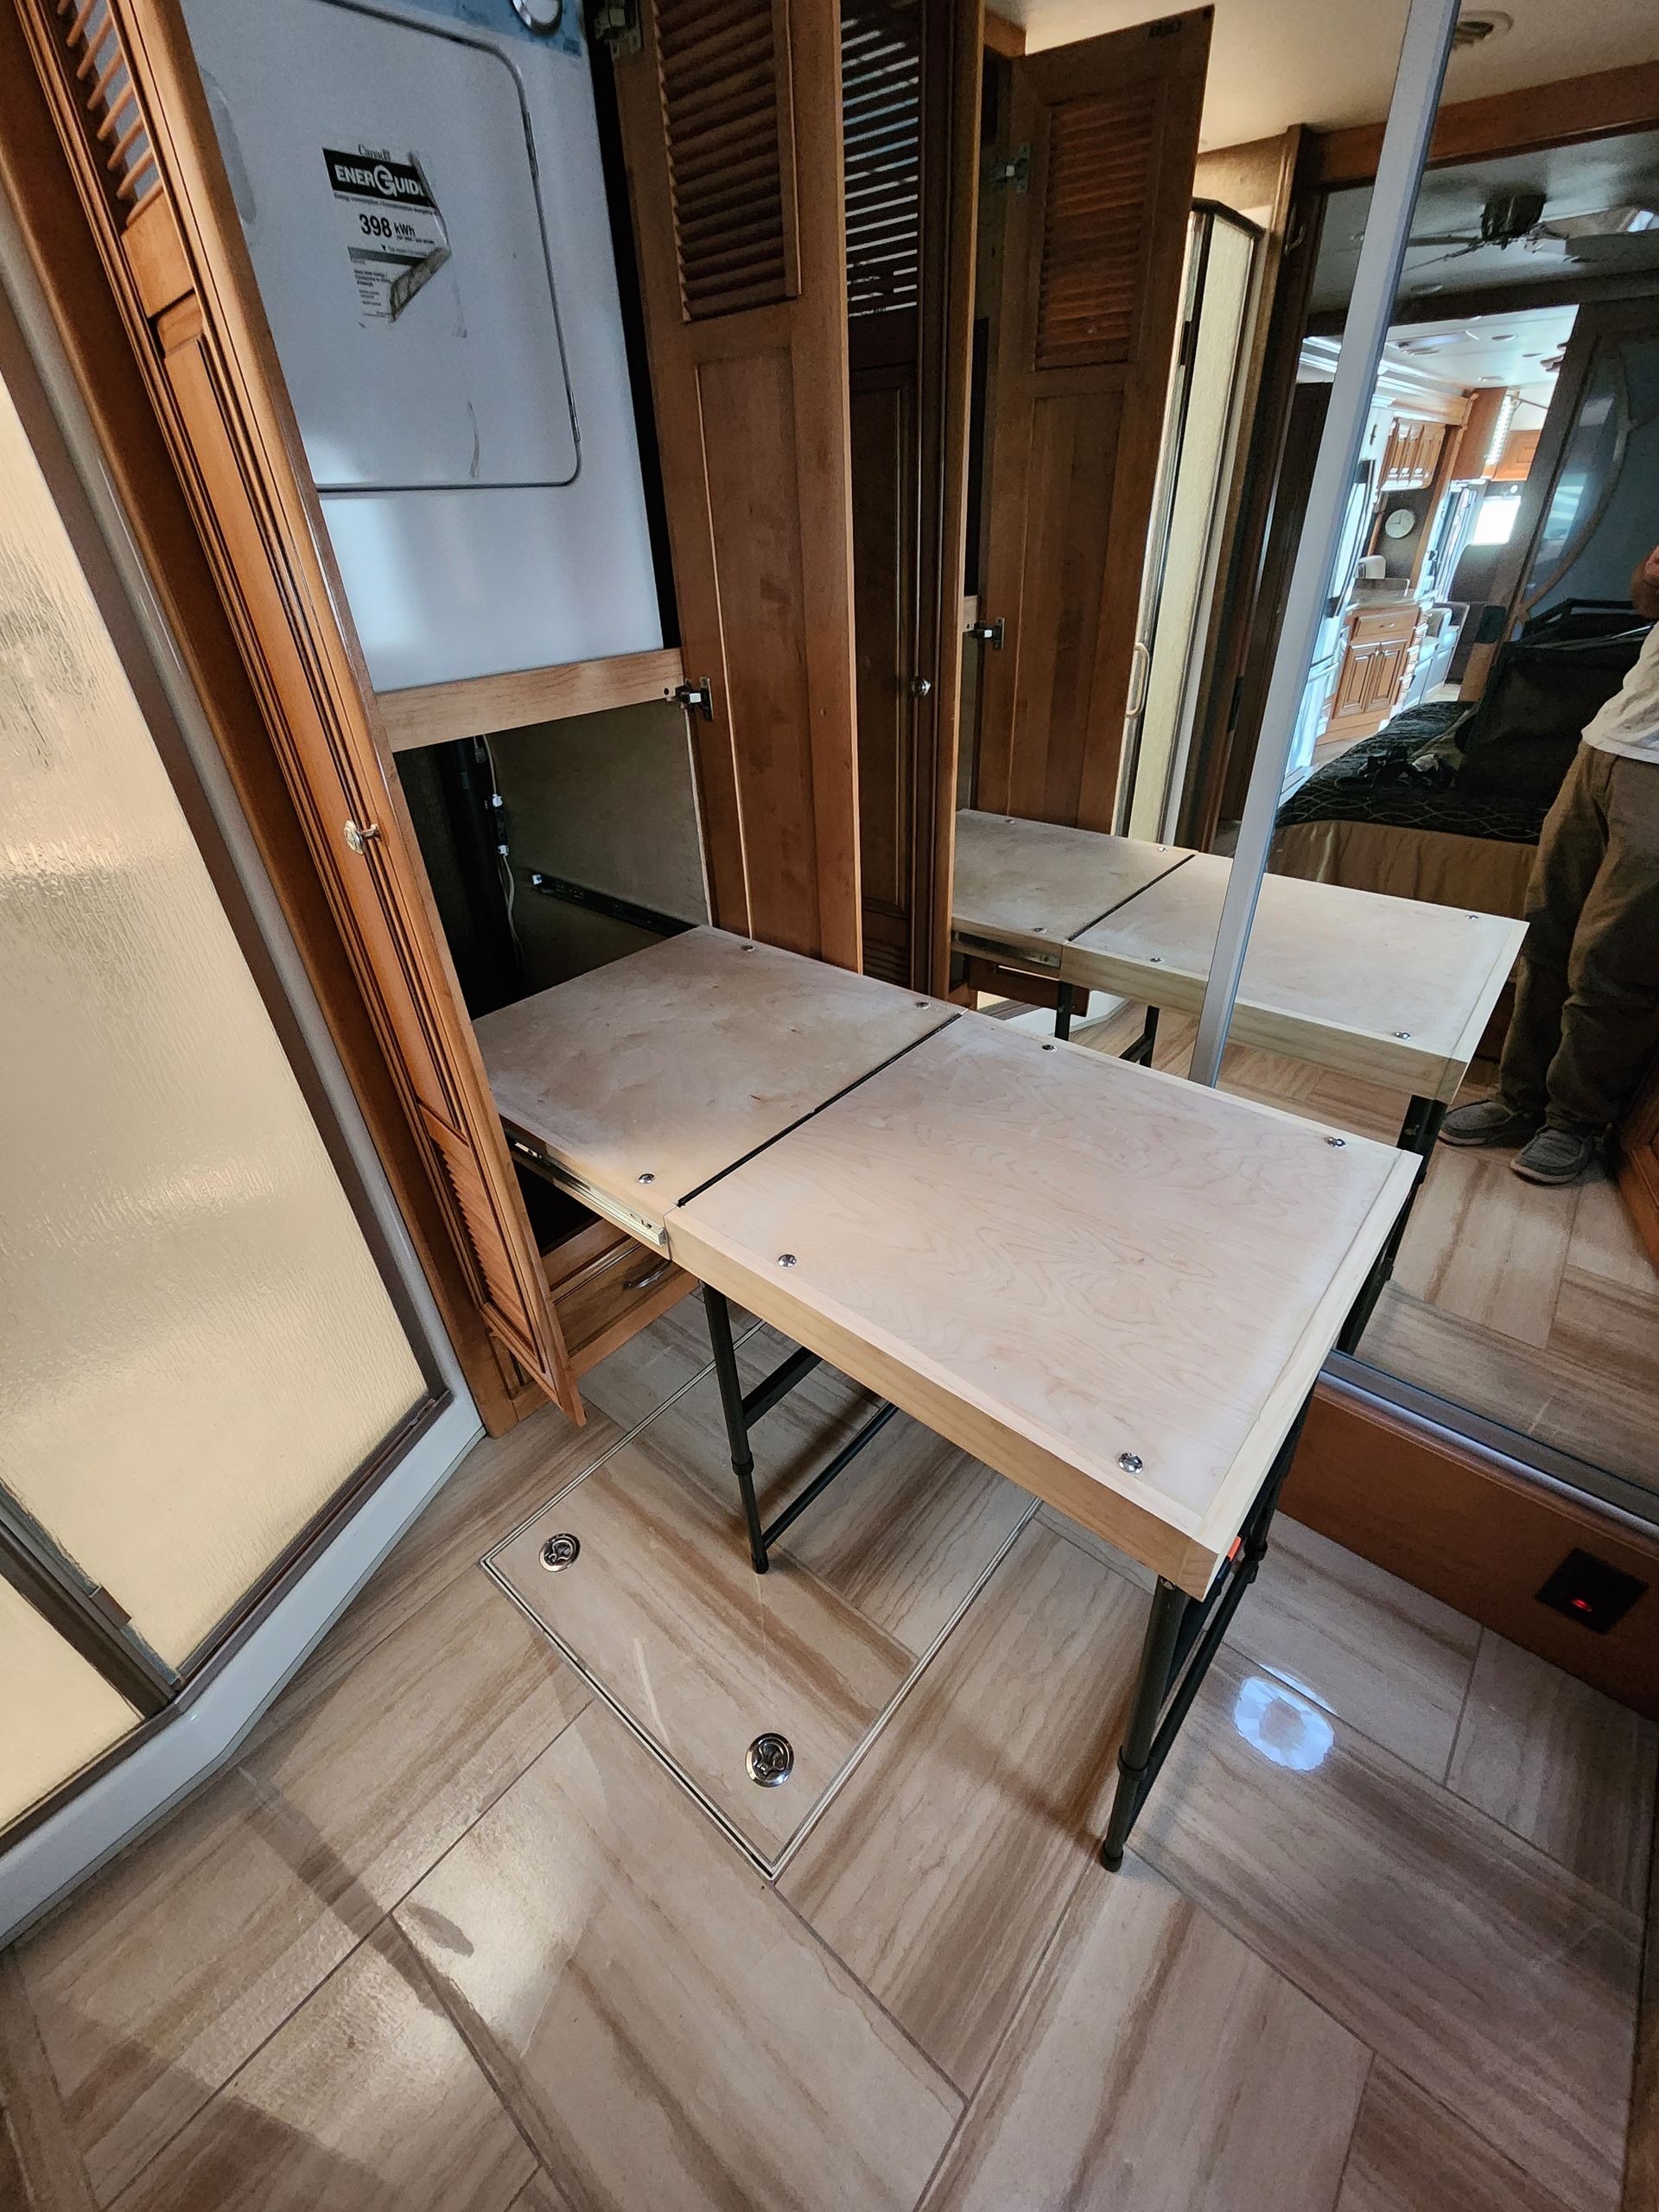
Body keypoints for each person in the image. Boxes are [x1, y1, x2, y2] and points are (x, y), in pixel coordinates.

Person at [1440, 543, 1659, 1185]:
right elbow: (1646, 603)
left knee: (1615, 961)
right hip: (1603, 745)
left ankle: (1575, 1122)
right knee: (1545, 936)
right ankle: (1518, 1099)